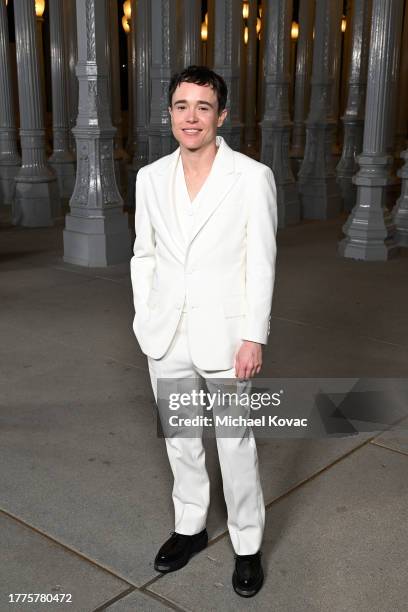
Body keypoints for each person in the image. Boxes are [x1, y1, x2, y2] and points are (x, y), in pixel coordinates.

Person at [130, 65, 277, 598]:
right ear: (169, 112)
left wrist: (253, 335)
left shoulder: (251, 177)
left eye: (203, 107)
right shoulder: (149, 178)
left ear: (223, 115)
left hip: (226, 338)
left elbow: (260, 263)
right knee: (180, 438)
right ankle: (190, 526)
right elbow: (143, 254)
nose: (191, 118)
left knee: (234, 441)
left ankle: (247, 543)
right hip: (165, 333)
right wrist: (145, 314)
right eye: (181, 106)